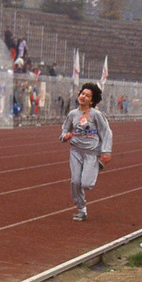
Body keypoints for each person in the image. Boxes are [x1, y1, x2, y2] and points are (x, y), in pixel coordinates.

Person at [60, 82, 113, 222]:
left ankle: (97, 165)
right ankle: (81, 209)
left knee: (86, 184)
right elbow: (64, 130)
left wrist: (106, 151)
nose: (83, 97)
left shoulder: (96, 115)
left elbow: (106, 132)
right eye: (82, 93)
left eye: (87, 95)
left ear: (92, 100)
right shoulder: (72, 114)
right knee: (75, 182)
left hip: (91, 152)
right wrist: (65, 137)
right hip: (75, 151)